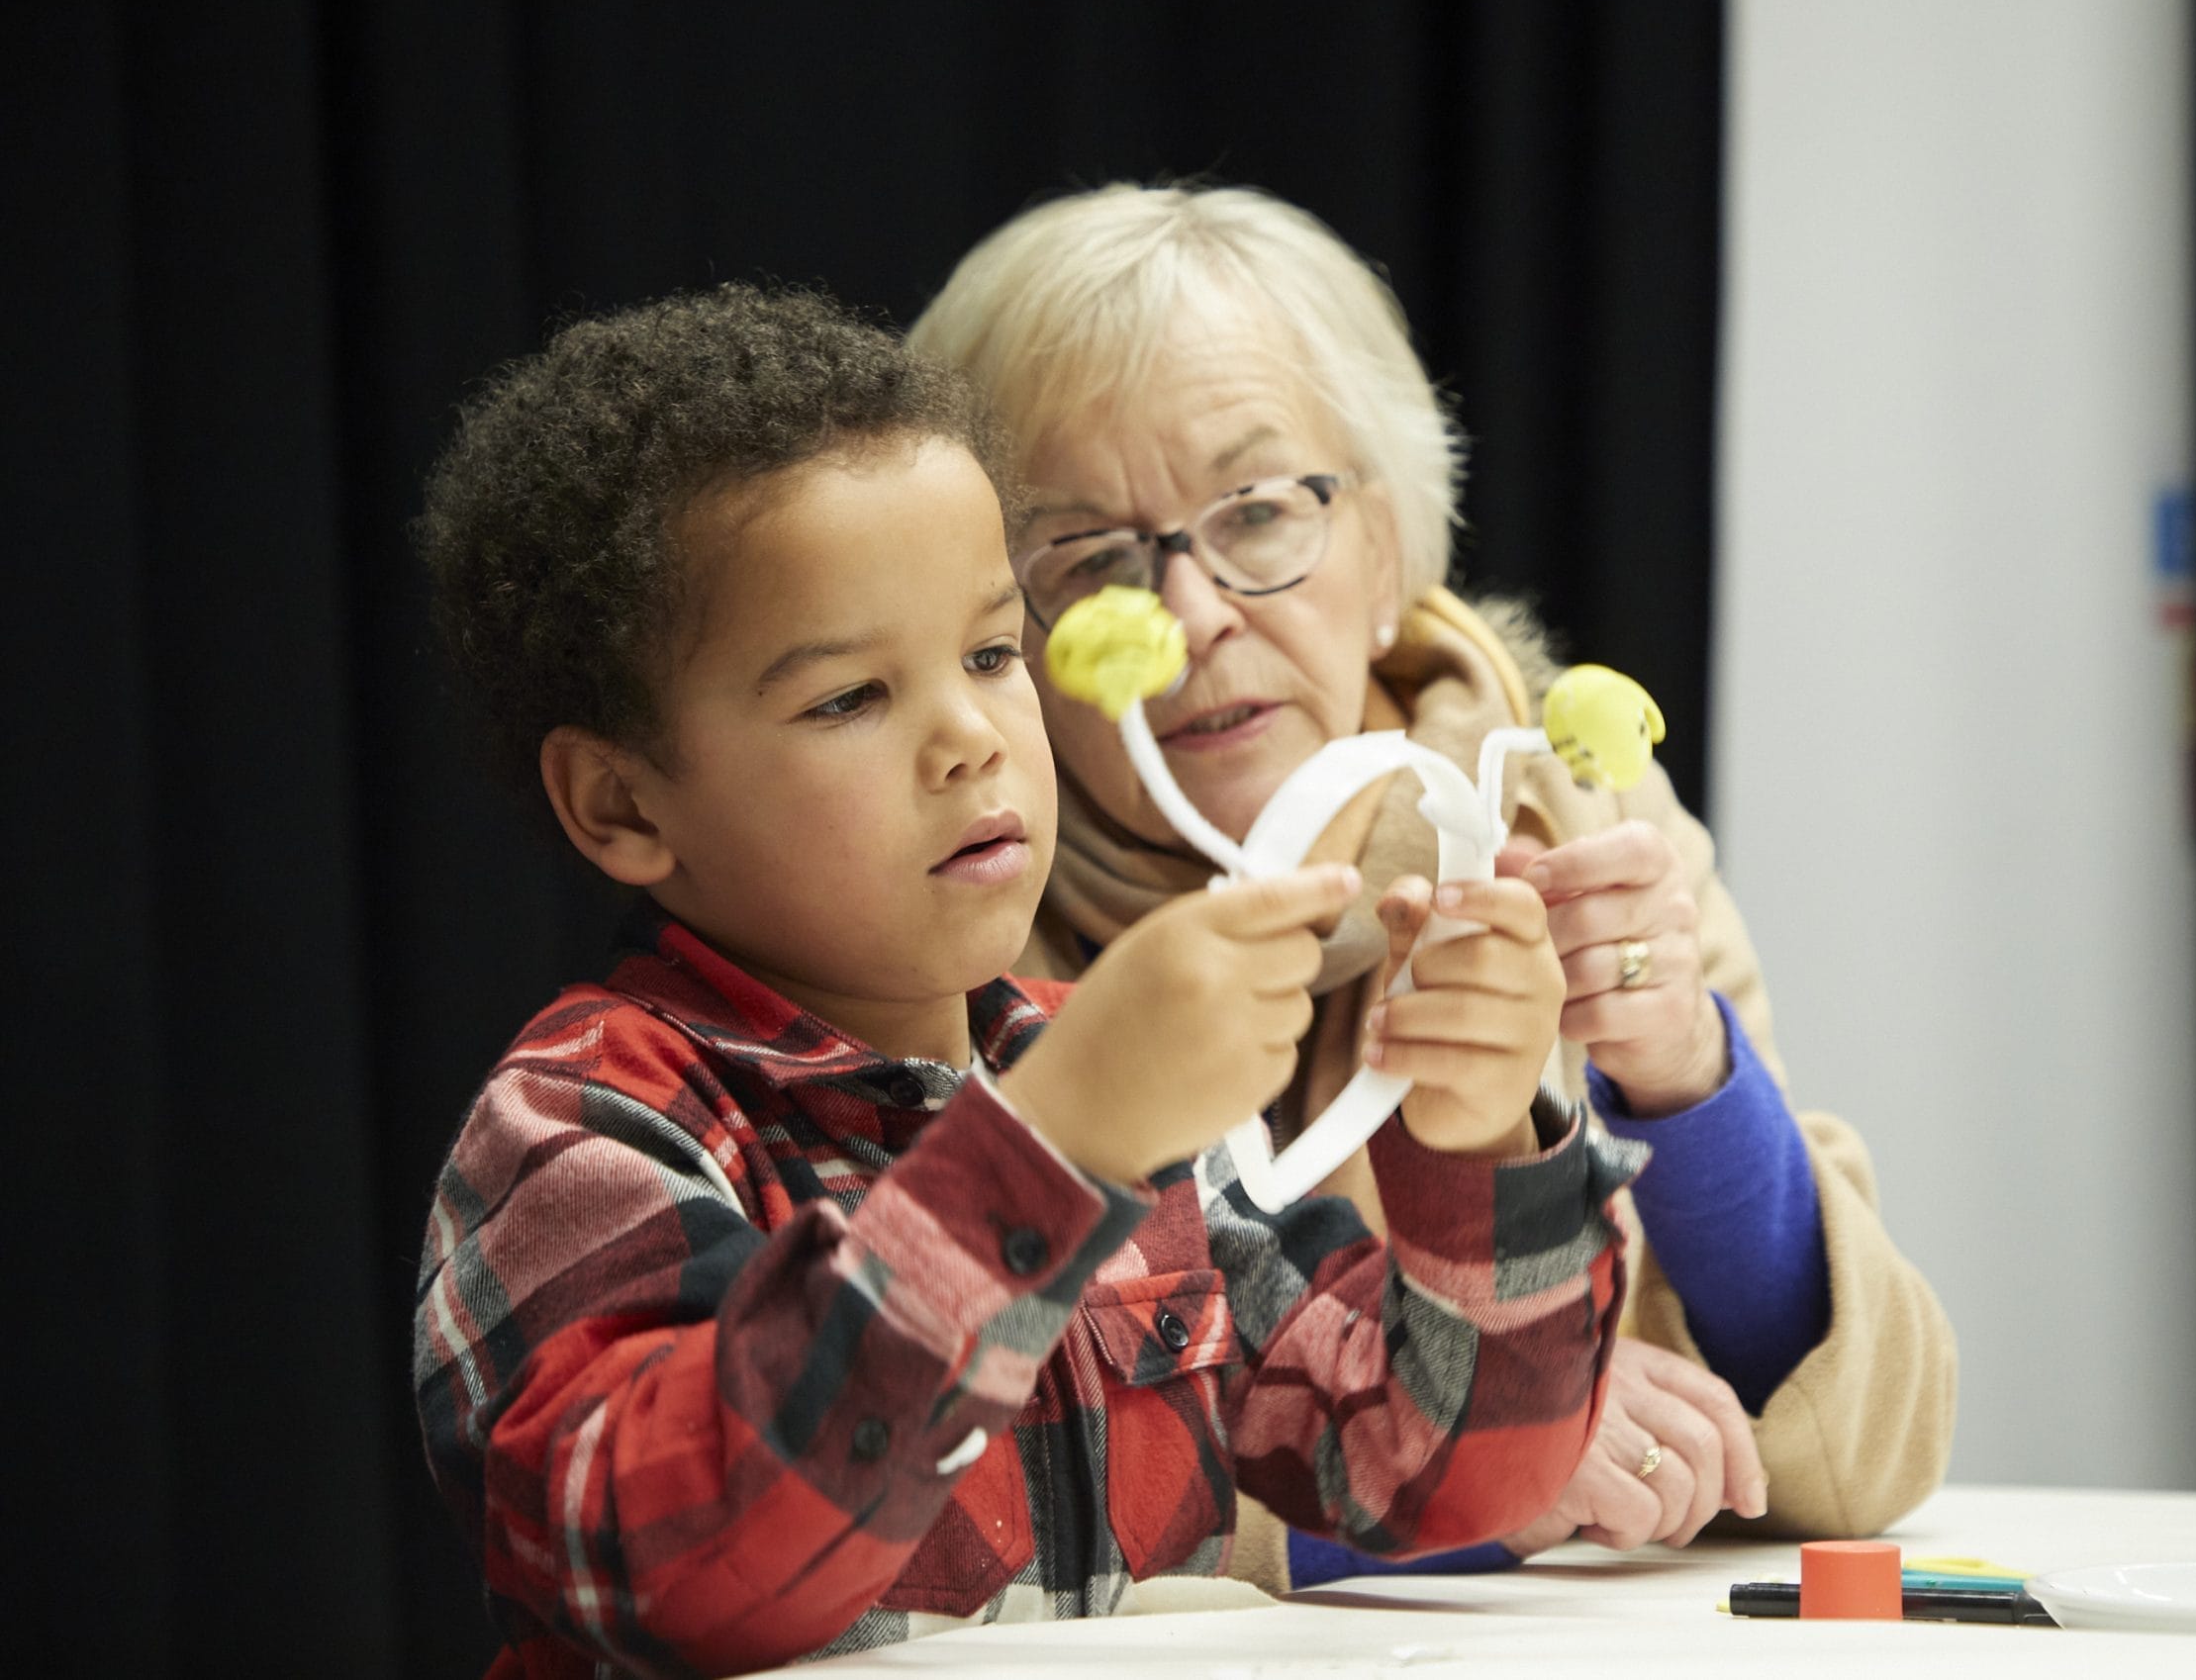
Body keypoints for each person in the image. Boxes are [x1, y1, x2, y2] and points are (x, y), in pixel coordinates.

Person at [410, 285, 1643, 1677]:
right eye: (847, 700)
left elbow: (1441, 1474)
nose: (972, 741)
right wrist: (1047, 1147)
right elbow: (700, 1561)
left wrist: (1487, 1141)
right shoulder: (585, 1129)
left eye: (994, 654)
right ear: (623, 805)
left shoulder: (1100, 1086)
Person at [909, 183, 1957, 1583]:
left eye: (1261, 512)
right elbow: (909, 1495)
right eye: (1089, 558)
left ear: (1393, 545)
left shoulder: (1563, 813)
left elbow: (1854, 1458)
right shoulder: (932, 916)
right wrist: (1459, 1477)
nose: (1194, 614)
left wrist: (1688, 1080)